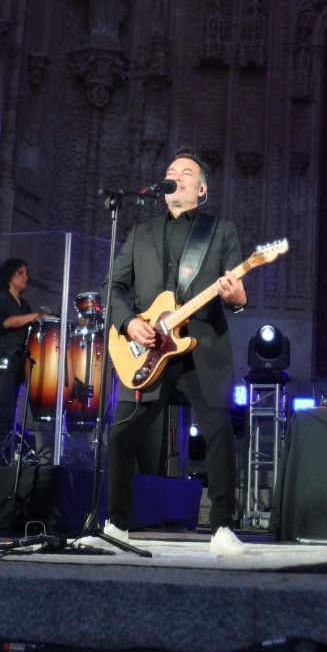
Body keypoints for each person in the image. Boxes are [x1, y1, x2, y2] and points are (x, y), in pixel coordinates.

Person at [99, 148, 249, 554]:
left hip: (200, 344)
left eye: (186, 173)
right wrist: (129, 322)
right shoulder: (140, 233)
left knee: (217, 431)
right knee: (122, 433)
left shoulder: (220, 231)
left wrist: (237, 297)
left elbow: (236, 291)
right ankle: (116, 524)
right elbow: (112, 286)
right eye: (170, 172)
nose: (176, 177)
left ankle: (221, 526)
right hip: (148, 349)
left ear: (201, 190)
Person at [0, 258, 46, 460]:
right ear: (10, 275)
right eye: (21, 273)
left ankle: (3, 454)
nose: (25, 277)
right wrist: (36, 316)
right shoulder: (2, 298)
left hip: (18, 362)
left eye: (26, 273)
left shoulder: (24, 304)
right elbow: (7, 323)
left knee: (11, 408)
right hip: (3, 359)